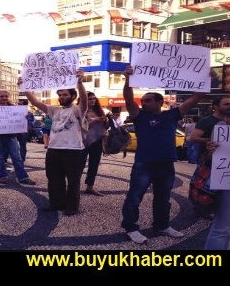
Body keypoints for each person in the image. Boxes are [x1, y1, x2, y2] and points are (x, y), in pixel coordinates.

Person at [121, 65, 207, 244]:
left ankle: (161, 226)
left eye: (148, 100)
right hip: (144, 164)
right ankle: (130, 227)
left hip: (166, 164)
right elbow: (129, 101)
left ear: (160, 102)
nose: (143, 103)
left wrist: (205, 77)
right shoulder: (139, 116)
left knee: (163, 198)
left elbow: (196, 97)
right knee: (134, 197)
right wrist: (128, 80)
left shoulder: (171, 115)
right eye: (143, 100)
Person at [20, 69, 88, 216]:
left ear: (73, 96)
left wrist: (80, 83)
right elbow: (35, 102)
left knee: (73, 180)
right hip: (54, 150)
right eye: (60, 95)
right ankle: (56, 203)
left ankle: (72, 206)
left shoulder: (78, 110)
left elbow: (84, 99)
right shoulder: (54, 110)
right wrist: (24, 87)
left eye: (65, 94)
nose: (61, 97)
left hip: (73, 150)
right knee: (54, 179)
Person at [190, 96, 230, 250]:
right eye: (226, 103)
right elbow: (194, 139)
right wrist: (211, 147)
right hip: (224, 178)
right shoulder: (219, 125)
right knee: (223, 227)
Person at [0, 90, 36, 185]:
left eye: (6, 96)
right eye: (2, 96)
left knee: (16, 157)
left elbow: (24, 118)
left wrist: (26, 118)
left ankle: (23, 177)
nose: (4, 98)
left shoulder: (14, 108)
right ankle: (2, 177)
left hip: (11, 136)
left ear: (9, 97)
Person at [79, 92, 109, 196]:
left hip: (98, 141)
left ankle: (90, 186)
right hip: (83, 141)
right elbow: (80, 128)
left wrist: (107, 121)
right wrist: (94, 121)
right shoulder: (81, 111)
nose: (92, 100)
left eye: (94, 98)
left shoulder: (99, 111)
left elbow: (105, 127)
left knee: (94, 165)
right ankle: (74, 186)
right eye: (90, 98)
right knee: (80, 165)